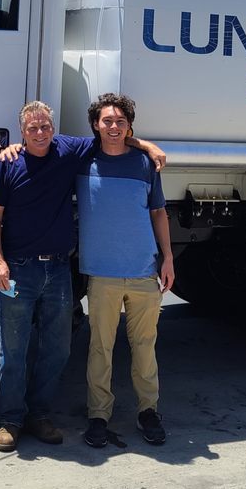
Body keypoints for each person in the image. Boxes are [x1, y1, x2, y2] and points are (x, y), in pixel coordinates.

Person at [0, 100, 165, 453]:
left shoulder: (68, 150)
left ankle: (39, 415)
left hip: (58, 269)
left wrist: (146, 144)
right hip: (19, 268)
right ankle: (11, 420)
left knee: (58, 348)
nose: (40, 133)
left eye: (45, 126)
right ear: (22, 132)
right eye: (33, 128)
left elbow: (113, 136)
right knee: (14, 349)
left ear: (54, 129)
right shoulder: (8, 163)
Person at [77, 92, 174, 448]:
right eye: (107, 121)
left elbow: (158, 213)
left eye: (120, 121)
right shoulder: (82, 160)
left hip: (143, 271)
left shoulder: (145, 164)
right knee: (100, 348)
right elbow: (43, 143)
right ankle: (98, 415)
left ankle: (148, 411)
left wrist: (168, 258)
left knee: (144, 347)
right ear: (95, 125)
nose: (114, 127)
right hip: (102, 275)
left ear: (129, 126)